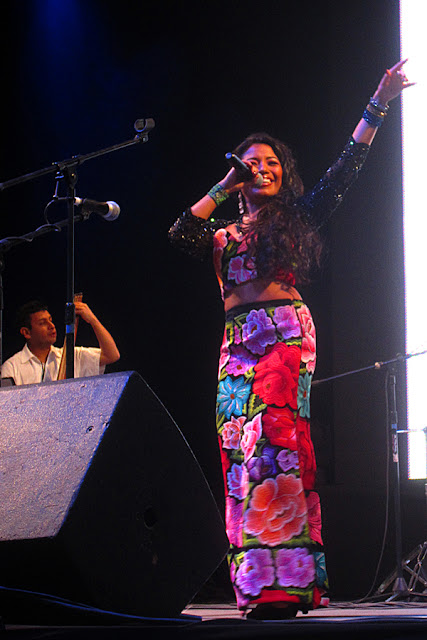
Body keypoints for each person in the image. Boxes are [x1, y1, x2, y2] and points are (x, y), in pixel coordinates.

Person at [169, 60, 414, 619]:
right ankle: (259, 584)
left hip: (283, 333)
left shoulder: (296, 217)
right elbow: (181, 233)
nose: (263, 169)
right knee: (239, 450)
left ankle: (285, 584)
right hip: (237, 343)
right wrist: (223, 185)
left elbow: (346, 168)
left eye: (272, 162)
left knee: (274, 444)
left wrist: (378, 102)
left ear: (285, 175)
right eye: (252, 163)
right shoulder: (221, 234)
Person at [1, 299, 120, 385]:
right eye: (42, 323)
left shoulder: (71, 356)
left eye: (50, 320)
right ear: (26, 332)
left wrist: (92, 320)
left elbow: (112, 355)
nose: (51, 326)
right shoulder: (12, 367)